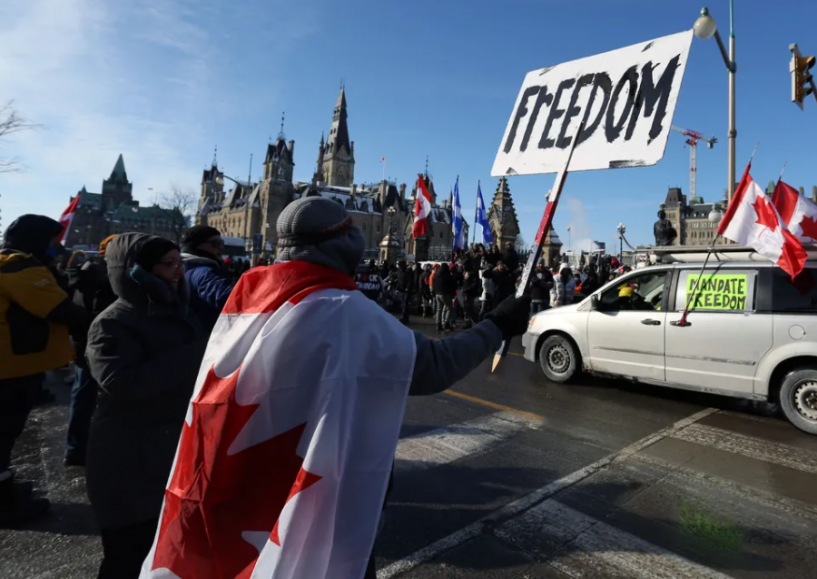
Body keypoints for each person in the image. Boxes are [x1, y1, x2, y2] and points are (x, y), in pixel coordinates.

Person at [140, 196, 531, 579]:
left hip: (234, 479)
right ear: (339, 242)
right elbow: (435, 366)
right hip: (312, 487)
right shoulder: (343, 310)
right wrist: (496, 324)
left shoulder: (246, 289)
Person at [86, 234, 208, 578]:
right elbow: (123, 383)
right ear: (136, 270)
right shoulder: (112, 322)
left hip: (170, 453)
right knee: (128, 556)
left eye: (179, 263)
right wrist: (197, 352)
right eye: (168, 265)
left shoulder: (179, 310)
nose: (178, 272)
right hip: (129, 460)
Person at [0, 215, 90, 526]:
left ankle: (5, 483)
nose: (58, 246)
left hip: (13, 363)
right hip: (11, 366)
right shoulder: (20, 266)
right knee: (4, 430)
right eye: (54, 240)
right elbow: (60, 309)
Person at [64, 234, 119, 467]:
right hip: (99, 344)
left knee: (82, 395)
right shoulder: (105, 277)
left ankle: (76, 447)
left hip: (82, 342)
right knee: (95, 396)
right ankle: (83, 448)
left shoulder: (85, 271)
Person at [180, 224, 235, 332]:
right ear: (197, 245)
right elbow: (225, 296)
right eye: (215, 243)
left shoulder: (183, 266)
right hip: (207, 336)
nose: (221, 247)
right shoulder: (202, 272)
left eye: (221, 242)